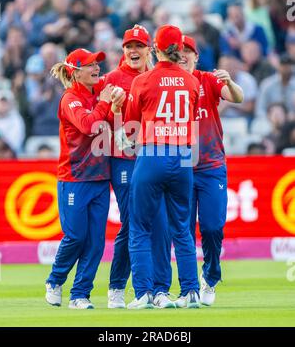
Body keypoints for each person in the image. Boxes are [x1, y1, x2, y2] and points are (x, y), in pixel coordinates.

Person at [117, 25, 201, 309]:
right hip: (183, 157)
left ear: (155, 48)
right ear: (180, 48)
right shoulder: (191, 81)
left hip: (152, 154)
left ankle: (144, 294)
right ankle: (191, 291)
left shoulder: (143, 81)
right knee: (182, 229)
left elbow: (130, 124)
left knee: (139, 228)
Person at [44, 48, 123, 310]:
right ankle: (55, 280)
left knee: (96, 242)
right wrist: (104, 102)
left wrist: (115, 105)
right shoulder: (70, 99)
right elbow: (89, 125)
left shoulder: (96, 92)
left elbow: (109, 121)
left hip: (100, 177)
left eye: (97, 63)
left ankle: (80, 294)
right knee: (76, 236)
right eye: (90, 65)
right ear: (76, 72)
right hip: (74, 178)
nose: (96, 68)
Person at [105, 25, 173, 309]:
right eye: (129, 46)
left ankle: (158, 290)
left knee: (159, 223)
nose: (133, 51)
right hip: (124, 160)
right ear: (123, 50)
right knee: (134, 220)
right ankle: (119, 286)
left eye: (139, 46)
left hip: (155, 158)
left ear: (149, 49)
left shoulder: (159, 77)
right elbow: (102, 124)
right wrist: (112, 107)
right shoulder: (111, 79)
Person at [175, 35, 243, 306]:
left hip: (211, 165)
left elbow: (238, 97)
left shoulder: (208, 79)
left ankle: (211, 276)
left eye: (188, 51)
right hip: (181, 166)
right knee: (183, 231)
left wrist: (230, 82)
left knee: (213, 227)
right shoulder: (168, 85)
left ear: (196, 56)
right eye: (178, 52)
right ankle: (188, 288)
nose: (183, 55)